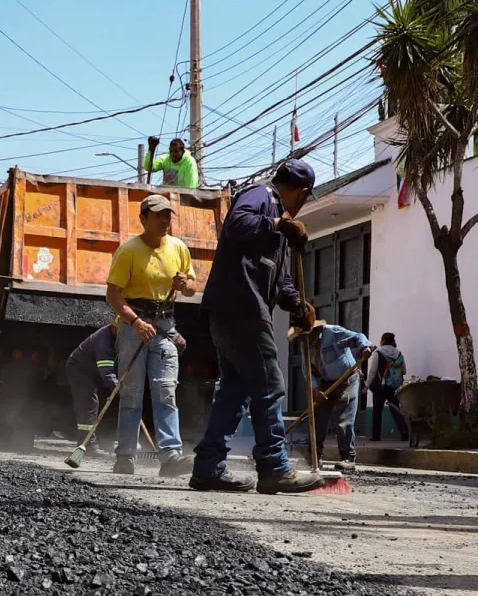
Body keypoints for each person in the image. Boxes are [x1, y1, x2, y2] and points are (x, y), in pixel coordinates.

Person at [190, 159, 324, 494]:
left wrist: (296, 303)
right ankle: (274, 467)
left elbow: (276, 275)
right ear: (302, 192)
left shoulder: (275, 220)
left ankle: (208, 467)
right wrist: (280, 223)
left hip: (232, 310)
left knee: (233, 392)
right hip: (242, 309)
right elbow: (237, 223)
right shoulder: (261, 196)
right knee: (269, 384)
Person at [105, 193, 197, 477]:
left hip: (165, 326)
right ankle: (125, 456)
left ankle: (170, 457)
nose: (164, 220)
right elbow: (113, 295)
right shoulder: (129, 250)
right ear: (143, 218)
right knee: (132, 394)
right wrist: (134, 322)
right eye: (158, 215)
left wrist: (185, 284)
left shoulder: (178, 248)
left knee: (166, 391)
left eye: (167, 215)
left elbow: (193, 287)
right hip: (135, 328)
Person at [307, 322, 372, 465]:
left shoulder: (333, 333)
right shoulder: (305, 344)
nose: (304, 339)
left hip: (346, 380)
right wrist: (315, 388)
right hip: (324, 382)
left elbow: (357, 337)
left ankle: (348, 458)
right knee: (318, 420)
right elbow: (307, 370)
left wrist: (364, 348)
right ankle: (314, 457)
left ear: (314, 330)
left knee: (344, 420)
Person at [65, 321, 120, 454]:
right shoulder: (104, 340)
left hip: (95, 373)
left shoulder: (119, 337)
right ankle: (88, 444)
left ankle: (105, 441)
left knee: (103, 403)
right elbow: (106, 370)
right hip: (80, 370)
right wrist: (119, 389)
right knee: (88, 405)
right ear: (114, 328)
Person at [366, 332, 410, 442]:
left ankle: (376, 436)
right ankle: (404, 431)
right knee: (395, 409)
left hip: (380, 387)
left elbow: (372, 372)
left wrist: (366, 386)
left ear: (383, 340)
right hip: (394, 387)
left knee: (377, 411)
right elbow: (404, 371)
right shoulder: (399, 354)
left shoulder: (378, 353)